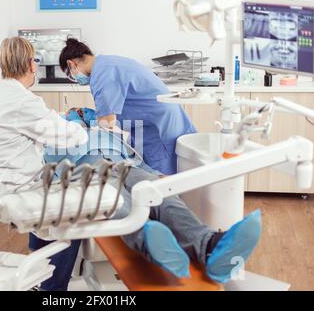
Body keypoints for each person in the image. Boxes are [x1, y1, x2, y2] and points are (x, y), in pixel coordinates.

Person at [45, 108, 262, 284]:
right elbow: (50, 166)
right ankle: (154, 245)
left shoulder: (104, 124)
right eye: (74, 112)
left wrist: (156, 175)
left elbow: (128, 148)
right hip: (88, 171)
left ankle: (209, 246)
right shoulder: (55, 130)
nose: (79, 111)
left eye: (83, 111)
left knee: (162, 196)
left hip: (126, 164)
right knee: (118, 202)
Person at [0, 37, 88, 291]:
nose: (36, 64)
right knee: (74, 215)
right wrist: (81, 127)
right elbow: (66, 136)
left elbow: (31, 126)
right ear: (31, 65)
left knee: (47, 191)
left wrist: (55, 119)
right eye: (35, 59)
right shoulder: (24, 101)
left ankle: (38, 274)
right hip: (5, 186)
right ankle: (52, 289)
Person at [59, 38, 197, 175]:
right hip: (151, 121)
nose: (75, 79)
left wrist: (83, 123)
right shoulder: (107, 63)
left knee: (164, 173)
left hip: (158, 126)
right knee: (149, 169)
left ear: (71, 64)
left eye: (70, 74)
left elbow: (107, 122)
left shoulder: (102, 74)